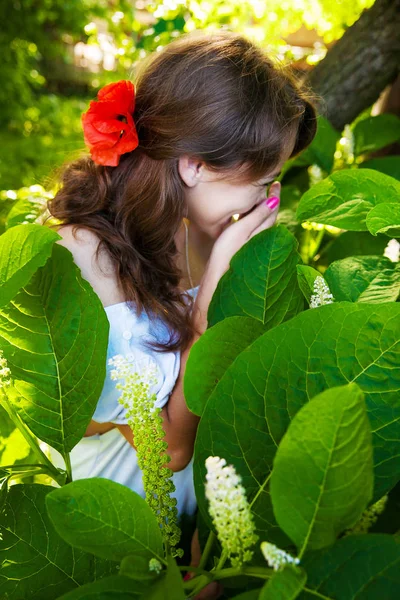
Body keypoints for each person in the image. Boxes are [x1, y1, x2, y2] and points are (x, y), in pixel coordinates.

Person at [46, 29, 317, 590]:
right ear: (193, 166)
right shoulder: (84, 261)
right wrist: (207, 313)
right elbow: (166, 447)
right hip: (118, 548)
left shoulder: (196, 228)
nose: (272, 201)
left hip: (202, 540)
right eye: (265, 181)